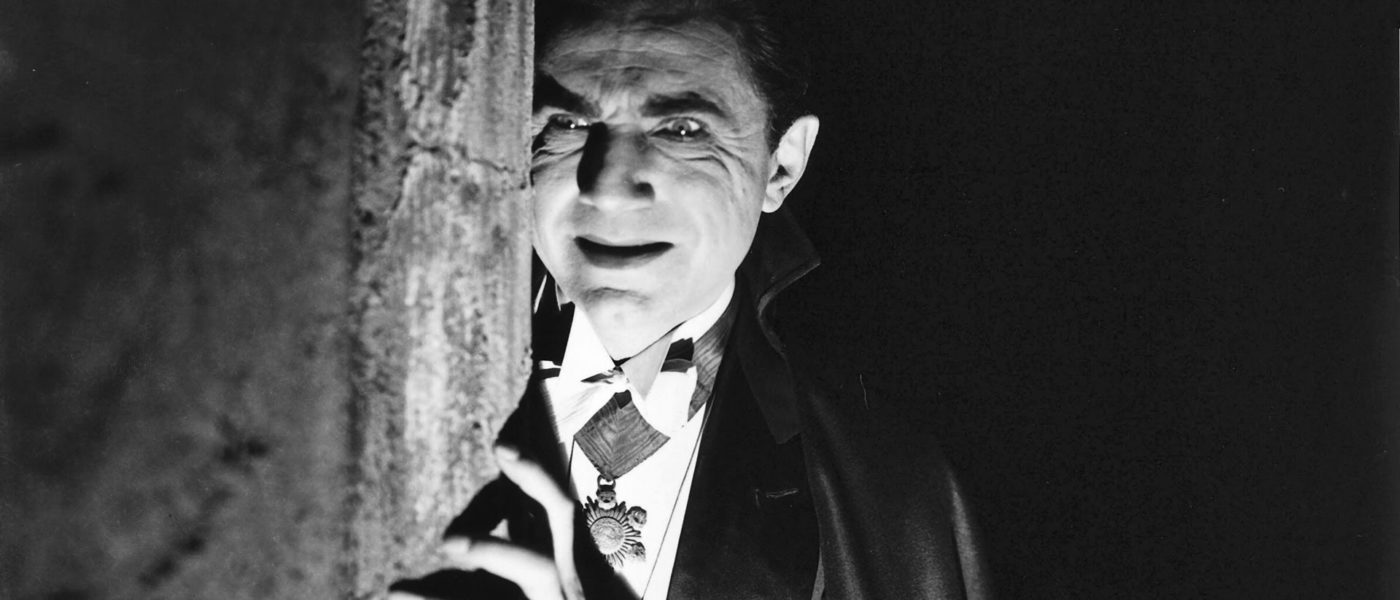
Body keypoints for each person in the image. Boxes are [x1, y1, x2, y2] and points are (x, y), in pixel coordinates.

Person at [392, 1, 990, 598]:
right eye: (568, 124)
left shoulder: (900, 499)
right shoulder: (382, 386)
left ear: (780, 166)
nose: (609, 188)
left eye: (681, 129)